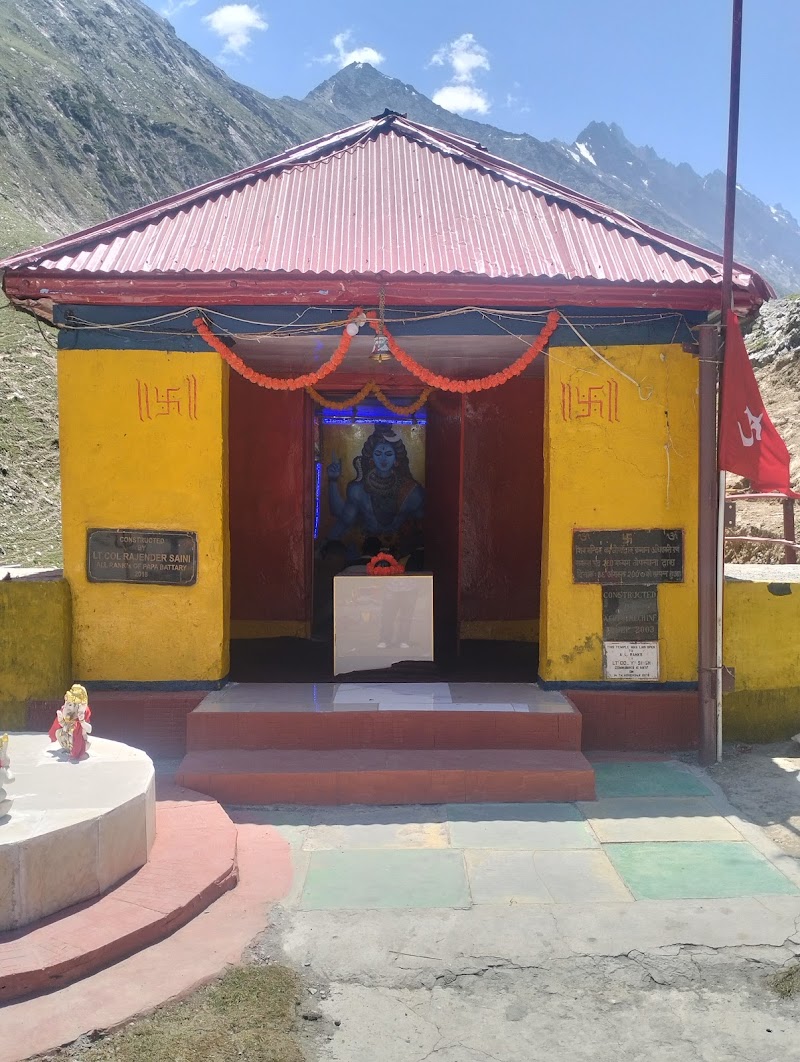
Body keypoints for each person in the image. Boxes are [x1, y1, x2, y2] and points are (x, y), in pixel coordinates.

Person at [326, 424, 424, 542]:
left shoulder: (412, 491)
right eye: (378, 454)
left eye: (388, 454)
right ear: (371, 459)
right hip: (367, 546)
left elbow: (422, 525)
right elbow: (344, 519)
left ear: (396, 460)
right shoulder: (358, 490)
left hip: (400, 547)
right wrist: (333, 481)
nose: (383, 459)